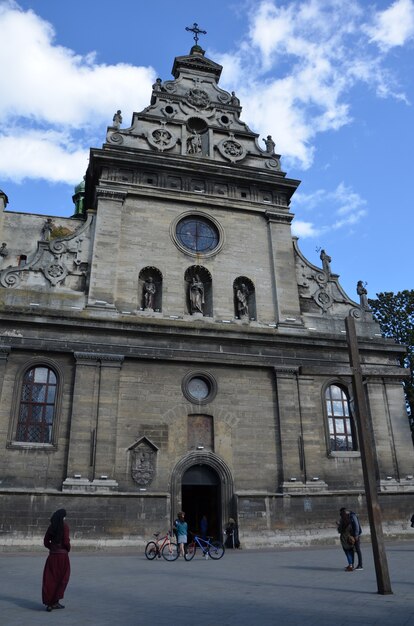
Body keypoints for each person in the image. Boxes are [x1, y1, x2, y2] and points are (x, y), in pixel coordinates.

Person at [42, 508, 71, 611]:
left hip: (52, 557)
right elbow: (66, 542)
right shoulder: (65, 527)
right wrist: (67, 549)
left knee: (50, 580)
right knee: (62, 579)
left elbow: (46, 542)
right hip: (63, 557)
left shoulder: (51, 527)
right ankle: (56, 602)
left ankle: (49, 603)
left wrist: (52, 548)